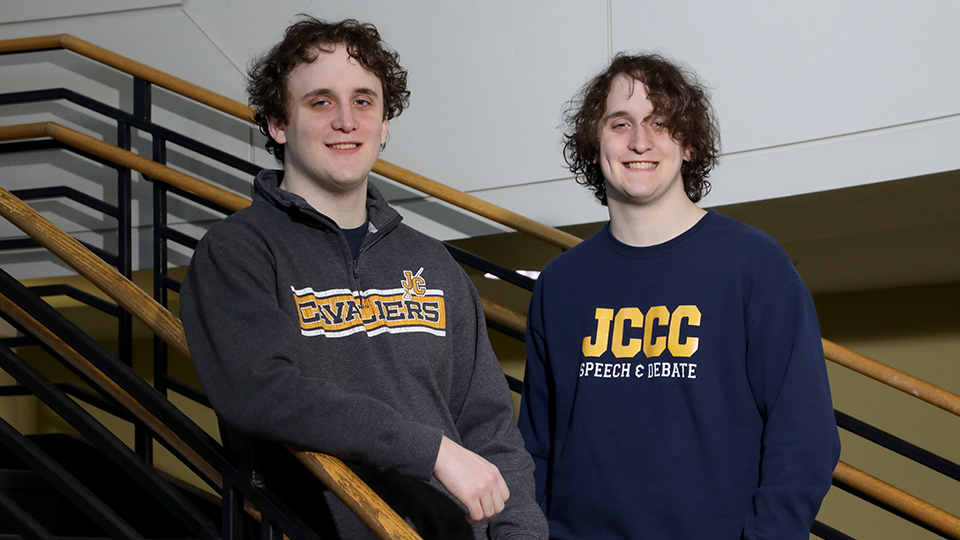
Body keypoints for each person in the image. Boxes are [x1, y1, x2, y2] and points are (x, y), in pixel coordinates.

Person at [180, 17, 547, 540]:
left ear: (385, 123)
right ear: (277, 125)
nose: (346, 121)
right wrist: (431, 451)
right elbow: (263, 391)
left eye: (364, 101)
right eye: (320, 102)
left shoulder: (433, 264)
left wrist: (520, 536)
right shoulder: (238, 252)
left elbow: (489, 430)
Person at [517, 53, 840, 540]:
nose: (640, 141)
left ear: (687, 144)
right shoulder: (560, 284)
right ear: (595, 141)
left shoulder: (753, 265)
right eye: (619, 123)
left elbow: (805, 438)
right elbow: (536, 446)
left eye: (660, 122)